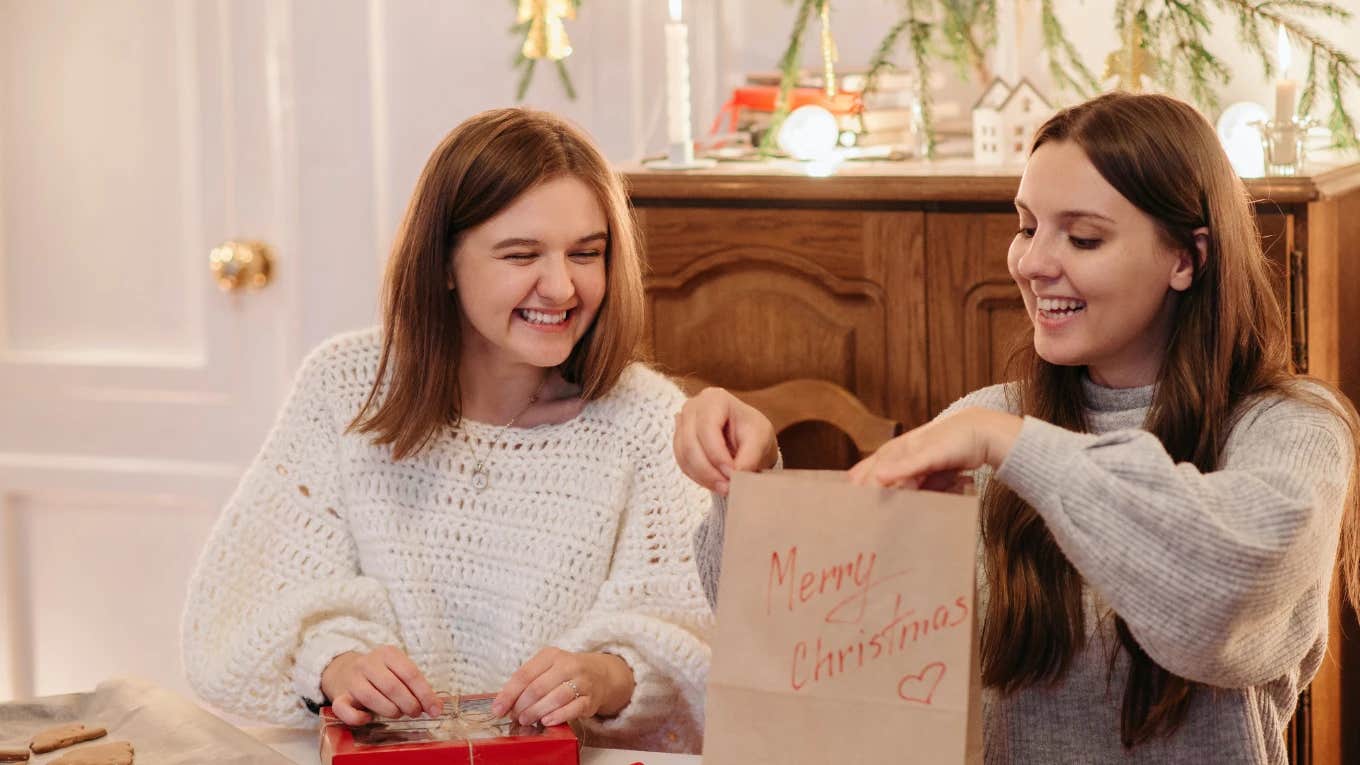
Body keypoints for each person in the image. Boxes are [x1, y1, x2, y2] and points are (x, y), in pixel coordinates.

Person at [675, 92, 1360, 763]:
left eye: (1083, 236)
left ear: (1187, 258)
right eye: (1028, 226)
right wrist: (746, 482)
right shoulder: (989, 415)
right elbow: (803, 632)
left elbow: (1216, 600)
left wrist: (1014, 448)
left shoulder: (1291, 428)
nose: (1031, 263)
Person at [183, 108, 713, 752]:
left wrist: (603, 677)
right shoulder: (344, 388)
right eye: (521, 254)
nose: (562, 286)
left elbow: (694, 648)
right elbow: (244, 615)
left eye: (586, 253)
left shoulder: (646, 420)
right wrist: (338, 666)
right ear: (443, 263)